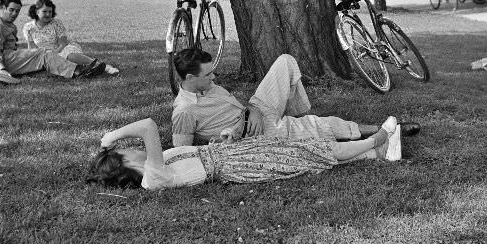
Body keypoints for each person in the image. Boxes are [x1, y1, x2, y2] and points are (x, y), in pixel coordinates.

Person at [171, 49, 420, 159]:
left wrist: (254, 110)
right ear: (190, 79)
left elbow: (239, 107)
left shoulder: (208, 85)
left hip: (257, 111)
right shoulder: (184, 111)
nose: (214, 77)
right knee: (324, 125)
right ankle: (382, 130)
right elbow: (182, 152)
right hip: (254, 135)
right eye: (207, 74)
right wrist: (232, 136)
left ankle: (298, 123)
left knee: (286, 61)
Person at [87, 115, 403, 190]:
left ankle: (378, 154)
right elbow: (148, 127)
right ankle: (376, 140)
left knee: (302, 150)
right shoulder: (152, 177)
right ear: (124, 164)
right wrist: (111, 136)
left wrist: (218, 143)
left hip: (233, 154)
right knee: (309, 153)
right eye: (124, 151)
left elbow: (194, 156)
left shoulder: (157, 167)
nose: (130, 148)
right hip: (237, 165)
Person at [0, 0, 105, 85]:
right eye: (11, 10)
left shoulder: (7, 24)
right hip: (5, 61)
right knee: (43, 53)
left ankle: (80, 68)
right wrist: (1, 70)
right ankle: (78, 71)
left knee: (43, 56)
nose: (14, 14)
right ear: (4, 8)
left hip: (10, 57)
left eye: (17, 11)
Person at [23, 0, 118, 75]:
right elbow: (31, 48)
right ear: (36, 12)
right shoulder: (28, 27)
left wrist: (54, 54)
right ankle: (86, 70)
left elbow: (63, 43)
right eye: (44, 11)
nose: (48, 14)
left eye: (50, 12)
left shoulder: (56, 23)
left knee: (70, 57)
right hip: (44, 55)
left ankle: (104, 67)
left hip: (61, 49)